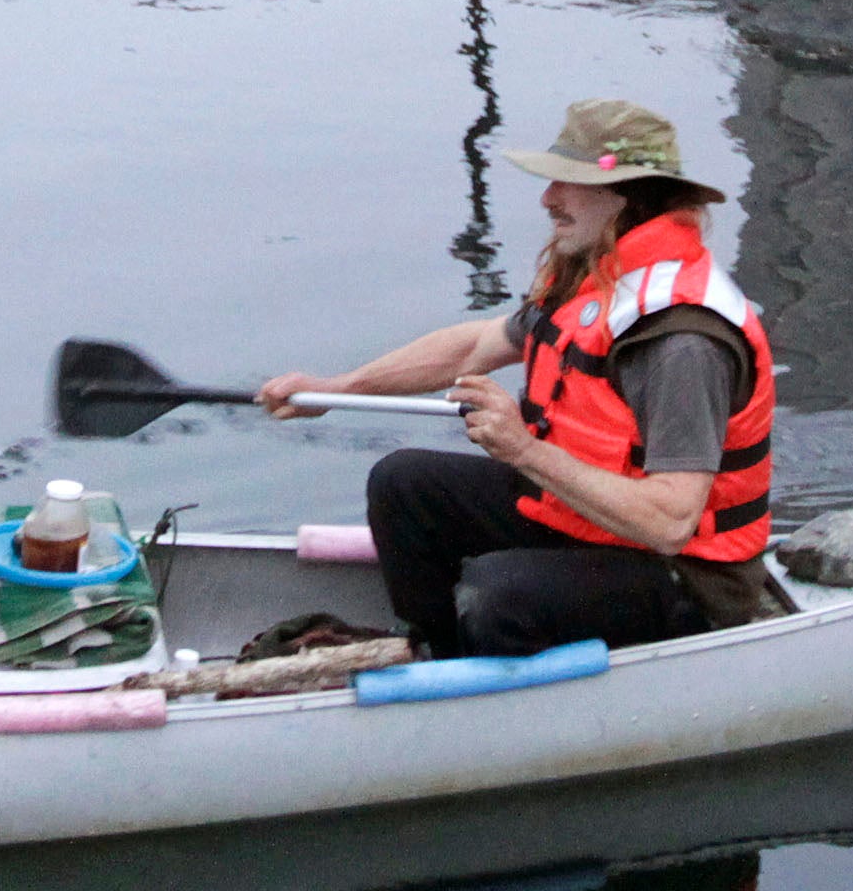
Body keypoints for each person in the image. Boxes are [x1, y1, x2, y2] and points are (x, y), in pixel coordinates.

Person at [260, 99, 789, 658]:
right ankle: (440, 660)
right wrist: (338, 389)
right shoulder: (593, 275)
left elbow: (671, 523)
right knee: (403, 484)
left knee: (497, 595)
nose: (548, 199)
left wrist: (522, 450)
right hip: (589, 524)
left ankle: (494, 697)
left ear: (629, 195)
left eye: (569, 182)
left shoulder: (681, 342)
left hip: (684, 576)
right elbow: (473, 346)